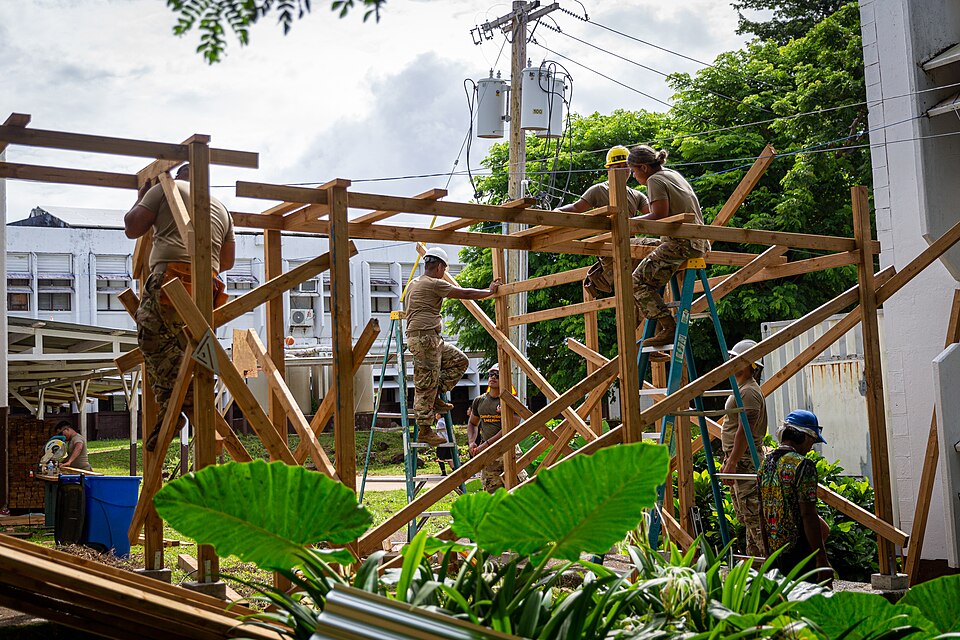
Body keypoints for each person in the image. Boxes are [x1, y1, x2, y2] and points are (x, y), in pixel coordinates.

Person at [124, 164, 236, 452]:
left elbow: (132, 228)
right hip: (205, 289)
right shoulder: (222, 208)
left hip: (170, 282)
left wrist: (144, 195)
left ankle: (175, 404)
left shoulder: (165, 188)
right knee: (189, 345)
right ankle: (179, 404)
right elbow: (227, 262)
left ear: (177, 176)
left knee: (151, 338)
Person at [405, 247, 500, 446]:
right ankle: (424, 429)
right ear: (440, 267)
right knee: (425, 381)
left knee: (459, 361)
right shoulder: (433, 283)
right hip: (424, 338)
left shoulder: (414, 283)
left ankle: (435, 398)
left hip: (429, 338)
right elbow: (464, 293)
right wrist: (489, 292)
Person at [626, 145, 711, 347]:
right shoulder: (672, 174)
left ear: (644, 167)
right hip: (697, 241)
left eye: (633, 171)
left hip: (681, 243)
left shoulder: (654, 180)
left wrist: (627, 223)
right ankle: (660, 327)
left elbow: (659, 215)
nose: (634, 177)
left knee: (635, 282)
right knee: (647, 256)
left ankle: (668, 328)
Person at [555, 146, 652, 297]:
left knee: (641, 287)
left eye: (625, 166)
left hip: (632, 247)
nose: (621, 170)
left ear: (631, 168)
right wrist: (556, 213)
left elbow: (655, 216)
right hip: (609, 249)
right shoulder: (599, 190)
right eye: (616, 167)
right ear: (609, 170)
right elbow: (576, 208)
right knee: (632, 287)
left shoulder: (637, 195)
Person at [759, 410, 833, 582]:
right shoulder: (803, 465)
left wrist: (767, 554)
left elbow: (762, 512)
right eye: (813, 441)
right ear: (805, 437)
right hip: (800, 555)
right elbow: (808, 515)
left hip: (776, 554)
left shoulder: (766, 464)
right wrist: (821, 559)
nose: (811, 447)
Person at [718, 339, 768, 557]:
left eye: (735, 359)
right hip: (738, 458)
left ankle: (773, 567)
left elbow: (744, 432)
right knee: (747, 516)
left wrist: (732, 462)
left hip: (745, 459)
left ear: (748, 364)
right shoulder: (741, 389)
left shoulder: (748, 392)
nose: (730, 362)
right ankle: (756, 565)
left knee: (754, 516)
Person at [467, 363, 528, 492]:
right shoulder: (480, 401)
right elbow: (472, 423)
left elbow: (511, 427)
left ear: (505, 379)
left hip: (509, 450)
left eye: (497, 375)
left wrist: (485, 445)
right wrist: (472, 442)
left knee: (521, 489)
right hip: (490, 455)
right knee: (492, 491)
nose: (493, 377)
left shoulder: (511, 401)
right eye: (491, 375)